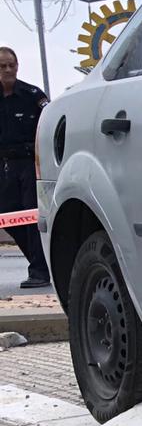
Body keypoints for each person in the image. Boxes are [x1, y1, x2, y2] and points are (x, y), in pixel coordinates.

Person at [0, 46, 51, 289]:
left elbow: (50, 126)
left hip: (31, 163)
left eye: (12, 65)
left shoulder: (32, 95)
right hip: (5, 166)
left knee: (31, 216)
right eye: (2, 66)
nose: (8, 70)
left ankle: (39, 271)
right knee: (8, 216)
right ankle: (40, 261)